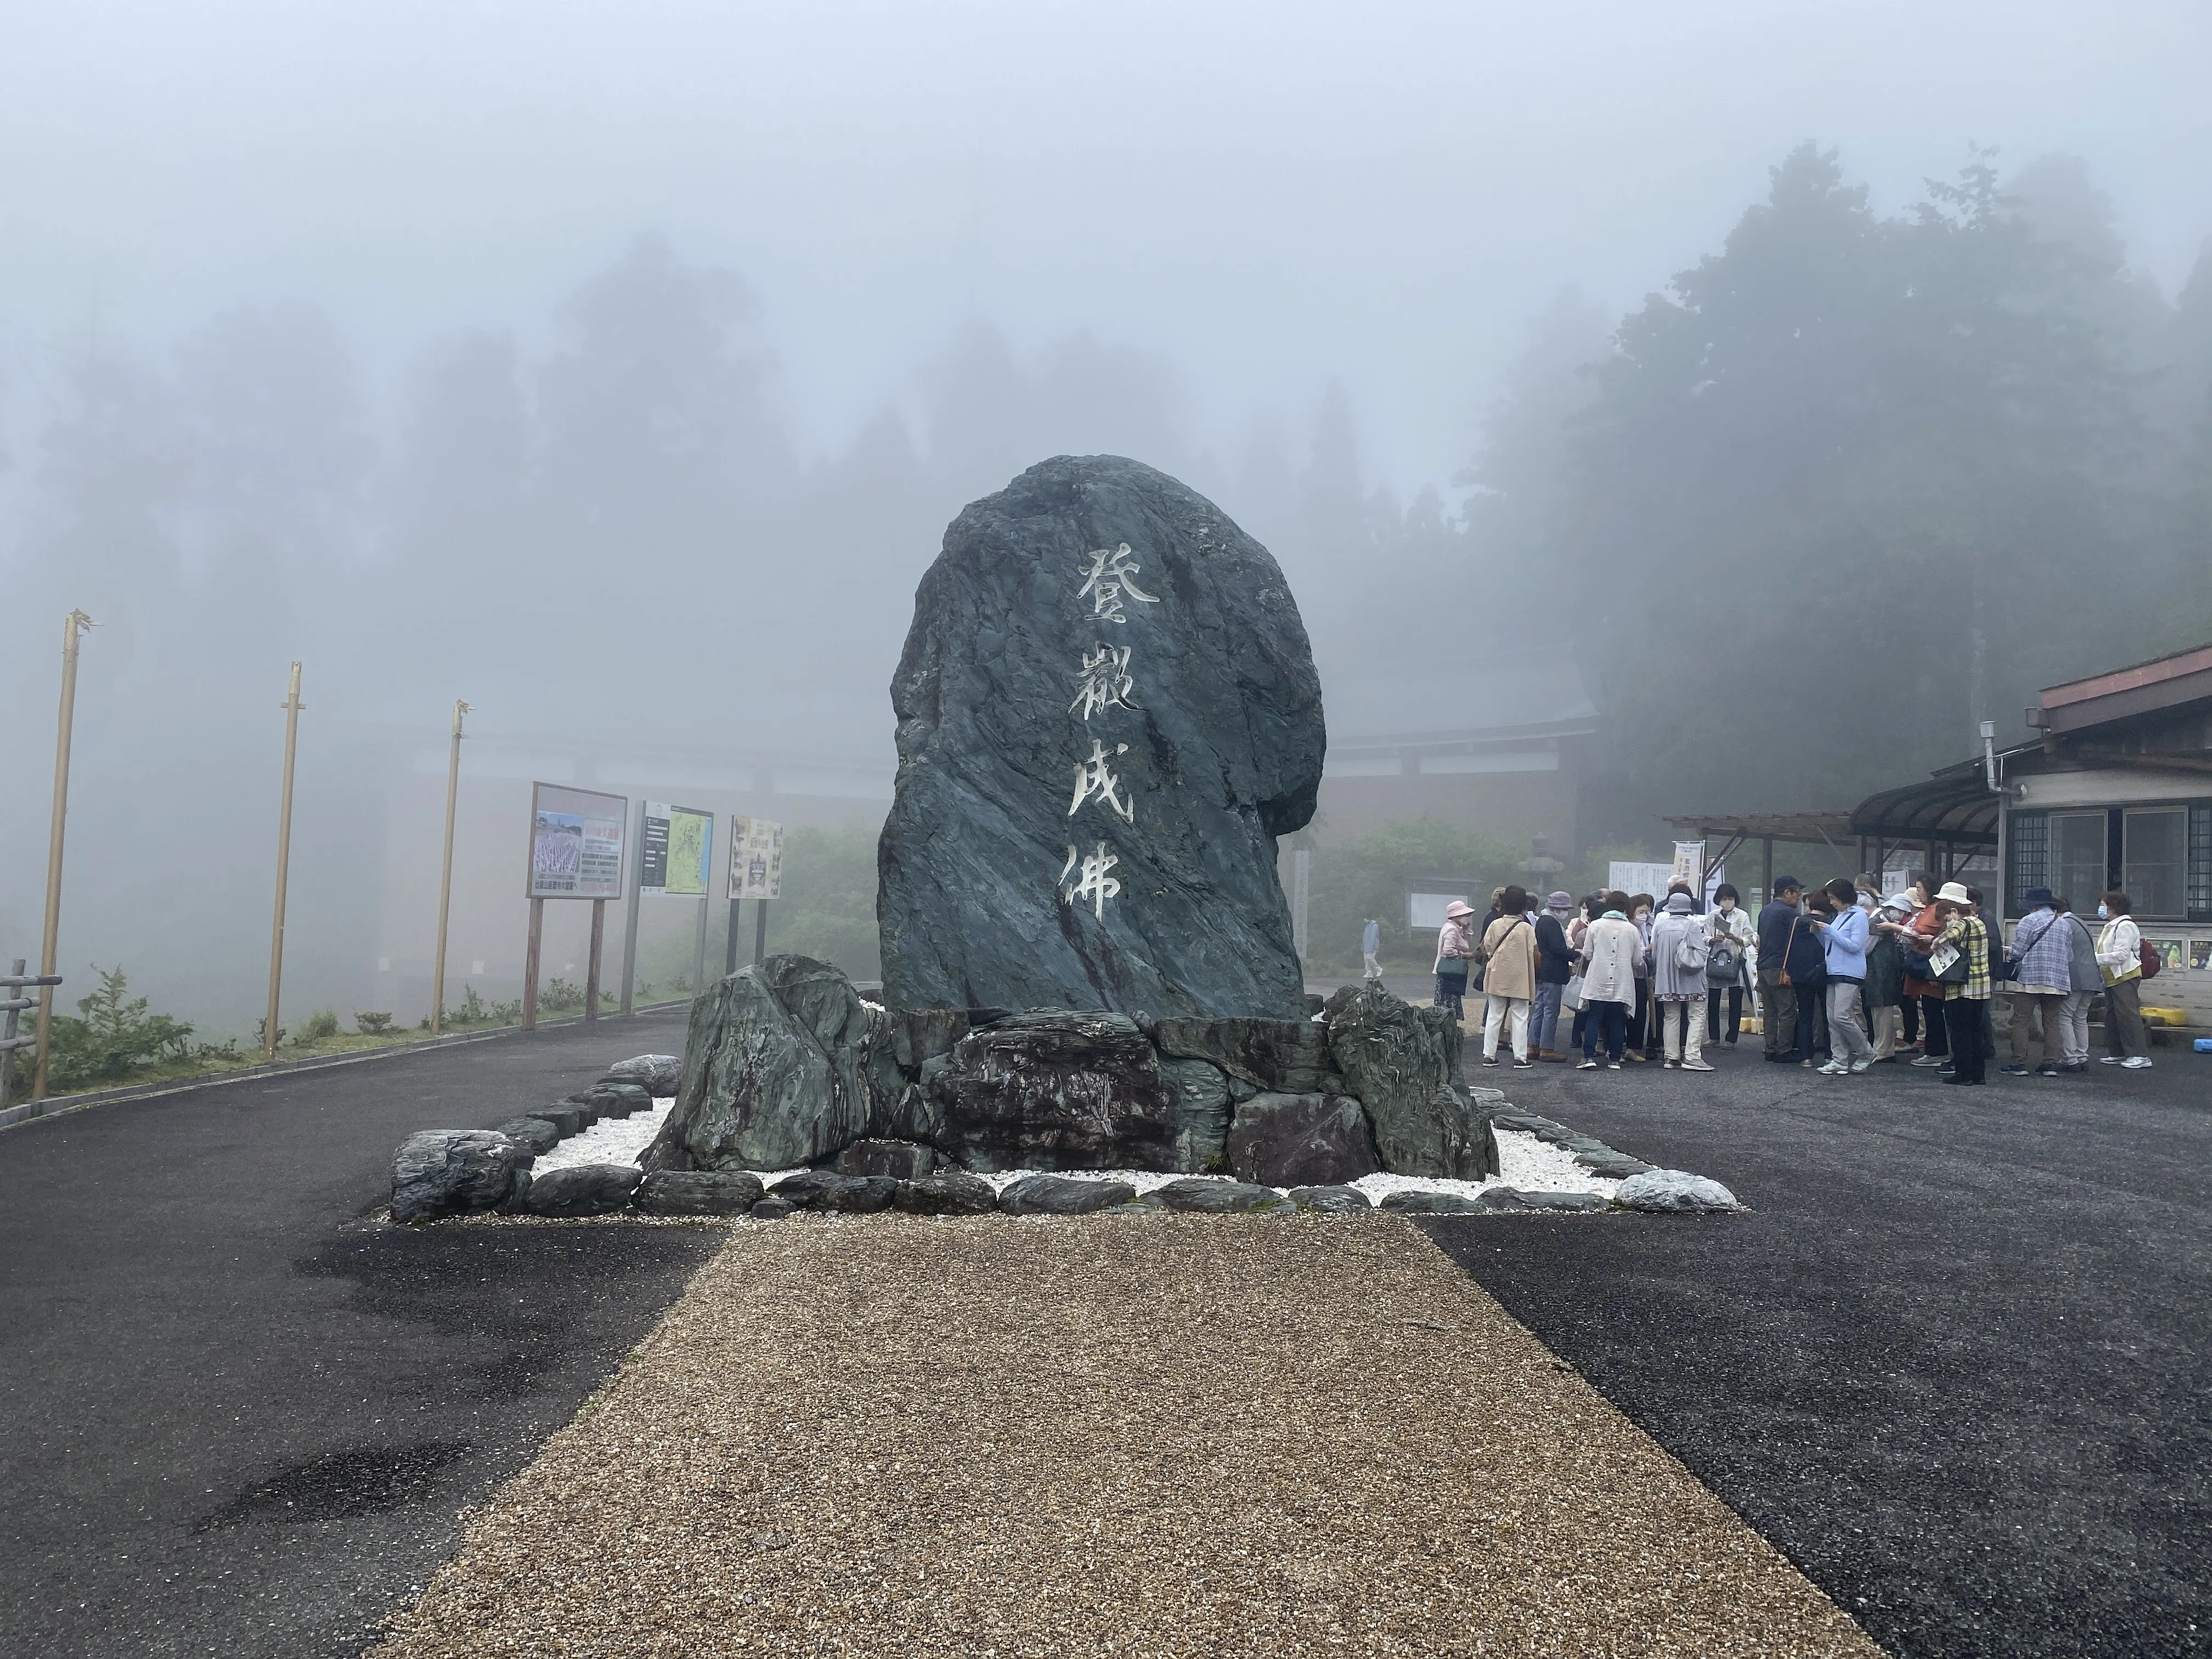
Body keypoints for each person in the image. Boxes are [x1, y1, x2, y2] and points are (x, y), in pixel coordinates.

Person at [1999, 887, 2069, 1076]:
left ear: (2033, 906)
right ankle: (2050, 1064)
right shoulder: (2064, 924)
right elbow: (2069, 954)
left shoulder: (2028, 921)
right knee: (2052, 1022)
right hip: (2058, 979)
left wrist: (2008, 952)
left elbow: (2018, 951)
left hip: (2030, 978)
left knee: (2021, 1021)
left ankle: (2018, 1063)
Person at [1927, 881, 1991, 1084]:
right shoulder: (1979, 922)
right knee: (1976, 1032)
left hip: (1961, 986)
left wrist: (1935, 943)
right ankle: (1978, 1074)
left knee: (1960, 1032)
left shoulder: (1963, 923)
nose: (1946, 920)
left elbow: (1945, 938)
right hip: (1981, 986)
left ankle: (1963, 1074)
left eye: (1947, 916)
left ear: (1955, 910)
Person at [1808, 877, 1873, 1074]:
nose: (1831, 902)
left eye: (1833, 898)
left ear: (1843, 897)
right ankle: (1839, 1059)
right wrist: (1820, 934)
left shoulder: (1860, 916)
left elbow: (1855, 946)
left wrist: (1828, 931)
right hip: (1833, 970)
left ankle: (1866, 1052)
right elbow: (1832, 945)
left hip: (1850, 972)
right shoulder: (1841, 915)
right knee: (1832, 1018)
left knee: (1841, 1016)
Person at [1757, 877, 1821, 1064]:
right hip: (1780, 967)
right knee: (1787, 1010)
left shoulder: (1765, 911)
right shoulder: (1790, 914)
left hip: (1763, 965)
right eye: (1796, 893)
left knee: (1770, 1011)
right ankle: (1783, 1050)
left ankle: (1770, 1048)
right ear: (1787, 893)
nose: (1798, 896)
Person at [1575, 891, 1642, 1069]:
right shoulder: (1632, 929)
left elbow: (1588, 953)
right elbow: (1637, 960)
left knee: (1594, 1017)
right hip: (1622, 980)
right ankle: (1614, 1059)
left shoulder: (1596, 926)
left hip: (1598, 978)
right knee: (1618, 1020)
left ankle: (1589, 1057)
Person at [1890, 874, 1950, 1070]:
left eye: (1920, 888)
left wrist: (1893, 927)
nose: (1918, 892)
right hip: (1926, 964)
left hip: (1931, 965)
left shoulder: (1936, 910)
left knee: (1933, 1011)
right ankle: (1933, 1051)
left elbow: (1919, 931)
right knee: (1929, 1009)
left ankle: (1936, 1052)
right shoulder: (1930, 909)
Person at [1648, 891, 1713, 1069]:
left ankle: (1671, 1056)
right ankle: (1692, 1056)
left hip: (1666, 980)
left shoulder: (1660, 926)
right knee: (1697, 1015)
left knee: (1671, 1017)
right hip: (1690, 979)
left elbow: (1654, 955)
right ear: (1688, 909)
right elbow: (1700, 953)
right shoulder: (1691, 925)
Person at [1479, 885, 1539, 1069]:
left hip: (1498, 973)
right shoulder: (1527, 928)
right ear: (1523, 906)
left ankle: (1489, 1055)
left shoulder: (1495, 924)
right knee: (1520, 1015)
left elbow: (1486, 948)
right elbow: (1536, 953)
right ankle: (1520, 1058)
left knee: (1495, 1014)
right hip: (1520, 975)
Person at [2095, 891, 2152, 1068]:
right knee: (2113, 1016)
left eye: (2103, 905)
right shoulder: (2112, 926)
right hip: (2112, 977)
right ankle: (2118, 1053)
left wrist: (2094, 958)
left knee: (2128, 1015)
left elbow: (2121, 955)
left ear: (2112, 908)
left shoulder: (2125, 925)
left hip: (2125, 975)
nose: (2101, 909)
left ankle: (2140, 1055)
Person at [1705, 884, 1755, 1047]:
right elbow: (1704, 936)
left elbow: (1749, 938)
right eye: (1724, 899)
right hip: (1716, 959)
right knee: (1713, 1000)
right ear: (1718, 900)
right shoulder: (1713, 916)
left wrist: (1736, 938)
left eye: (1730, 899)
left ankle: (1731, 1039)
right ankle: (1713, 1037)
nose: (1727, 902)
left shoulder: (1742, 916)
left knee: (1735, 1001)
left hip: (1734, 959)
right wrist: (1712, 940)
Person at [1863, 894, 1912, 1060]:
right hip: (1885, 970)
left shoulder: (1875, 920)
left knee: (1882, 1011)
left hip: (1880, 971)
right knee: (1881, 1010)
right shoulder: (1881, 917)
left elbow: (1866, 948)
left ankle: (1883, 1050)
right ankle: (1882, 1048)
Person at [1531, 891, 1576, 1062]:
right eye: (1564, 908)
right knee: (1551, 1010)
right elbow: (1558, 948)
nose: (1565, 912)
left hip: (1544, 971)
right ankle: (1546, 1048)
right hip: (1554, 971)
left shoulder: (1542, 920)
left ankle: (1532, 1044)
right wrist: (1575, 955)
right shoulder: (1551, 922)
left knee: (1540, 1008)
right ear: (1557, 908)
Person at [2055, 898, 2098, 1073]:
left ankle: (2070, 1059)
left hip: (2075, 976)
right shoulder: (2080, 922)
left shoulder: (2064, 924)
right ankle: (2082, 1056)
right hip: (2092, 976)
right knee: (2080, 1017)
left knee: (2065, 1016)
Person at [1434, 900, 1477, 1021]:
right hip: (1449, 972)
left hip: (1450, 971)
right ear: (1457, 916)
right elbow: (1448, 950)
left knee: (1448, 999)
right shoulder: (1452, 930)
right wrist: (1463, 955)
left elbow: (1466, 940)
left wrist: (1466, 928)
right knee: (1448, 1000)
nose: (1468, 919)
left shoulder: (1455, 928)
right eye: (1465, 916)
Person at [1627, 892, 1657, 1061]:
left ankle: (1635, 1047)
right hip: (1628, 974)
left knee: (1640, 1013)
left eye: (1646, 912)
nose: (1644, 915)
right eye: (1641, 911)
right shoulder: (1628, 928)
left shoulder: (1643, 928)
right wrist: (1647, 949)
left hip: (1642, 974)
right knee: (1625, 1012)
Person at [1361, 917, 1383, 983]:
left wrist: (1372, 947)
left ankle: (1378, 969)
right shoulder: (1367, 926)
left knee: (1370, 958)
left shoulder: (1374, 925)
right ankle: (1369, 973)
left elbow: (1373, 937)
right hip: (1366, 945)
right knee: (1366, 958)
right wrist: (1363, 945)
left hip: (1373, 946)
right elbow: (1365, 936)